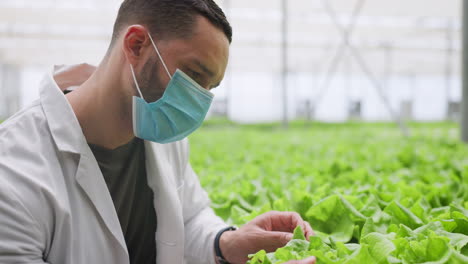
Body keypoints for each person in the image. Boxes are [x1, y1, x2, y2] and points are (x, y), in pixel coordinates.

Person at [0, 1, 316, 264]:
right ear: (136, 45)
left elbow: (187, 218)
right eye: (194, 75)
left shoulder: (160, 129)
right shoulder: (13, 178)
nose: (198, 100)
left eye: (210, 87)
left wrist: (225, 243)